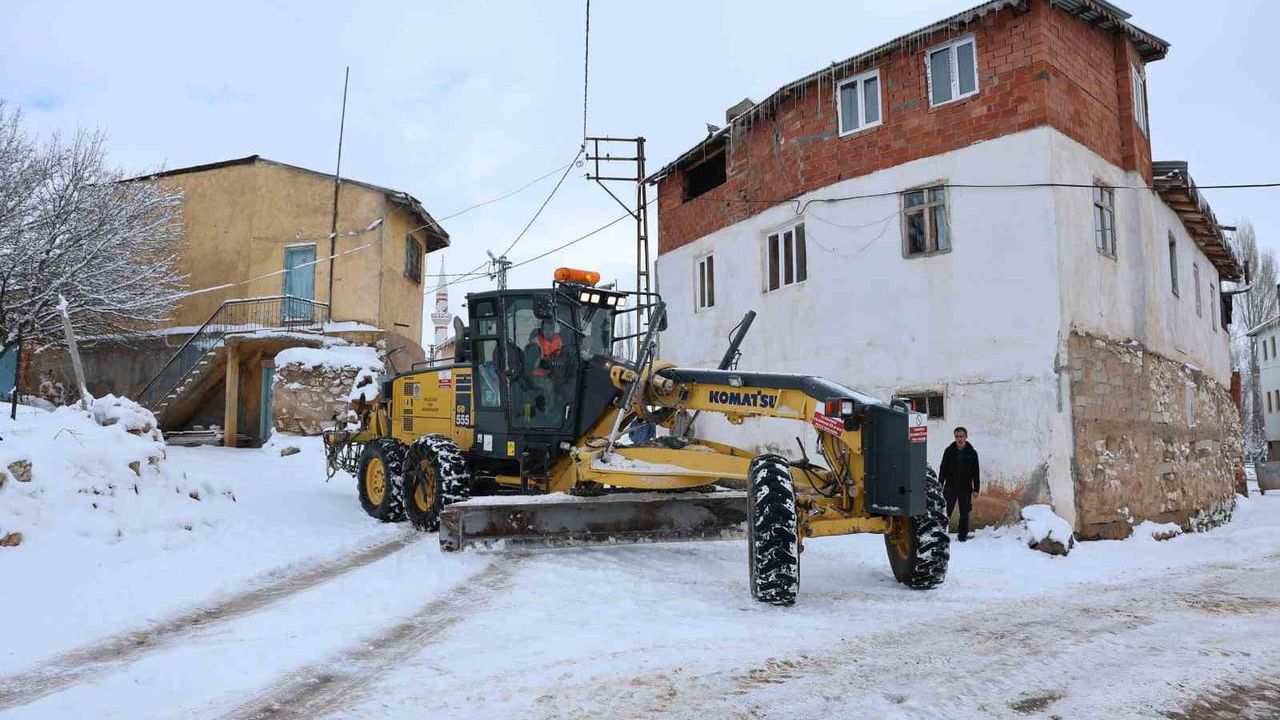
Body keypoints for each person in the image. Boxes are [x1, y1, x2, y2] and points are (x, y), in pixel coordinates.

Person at [939, 426, 980, 541]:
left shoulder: (972, 453)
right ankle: (941, 534)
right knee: (945, 512)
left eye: (961, 436)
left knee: (964, 513)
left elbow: (975, 471)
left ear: (966, 437)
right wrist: (939, 485)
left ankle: (962, 536)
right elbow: (943, 469)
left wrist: (976, 489)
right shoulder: (949, 451)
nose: (959, 439)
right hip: (950, 487)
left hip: (965, 488)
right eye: (957, 436)